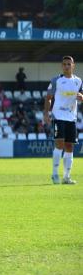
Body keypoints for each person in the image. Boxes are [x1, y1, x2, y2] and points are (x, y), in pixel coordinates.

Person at [44, 56, 83, 184]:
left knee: (69, 146)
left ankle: (66, 177)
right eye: (64, 64)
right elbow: (48, 97)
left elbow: (81, 95)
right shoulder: (56, 80)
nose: (67, 66)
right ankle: (55, 174)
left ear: (73, 66)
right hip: (58, 115)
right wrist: (46, 113)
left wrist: (81, 97)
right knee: (59, 144)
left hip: (71, 117)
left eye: (69, 64)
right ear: (62, 66)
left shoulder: (78, 81)